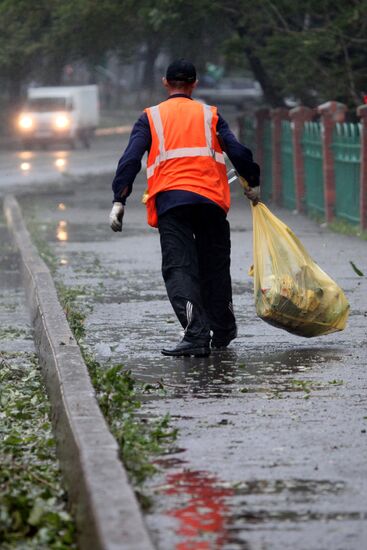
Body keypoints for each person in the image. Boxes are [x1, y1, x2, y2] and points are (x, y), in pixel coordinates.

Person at [109, 59, 260, 358]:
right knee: (215, 266)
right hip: (210, 201)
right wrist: (252, 181)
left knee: (180, 267)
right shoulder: (210, 115)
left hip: (172, 203)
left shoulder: (150, 117)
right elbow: (238, 151)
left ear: (166, 82)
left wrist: (119, 200)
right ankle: (224, 329)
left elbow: (130, 159)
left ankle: (195, 334)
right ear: (194, 84)